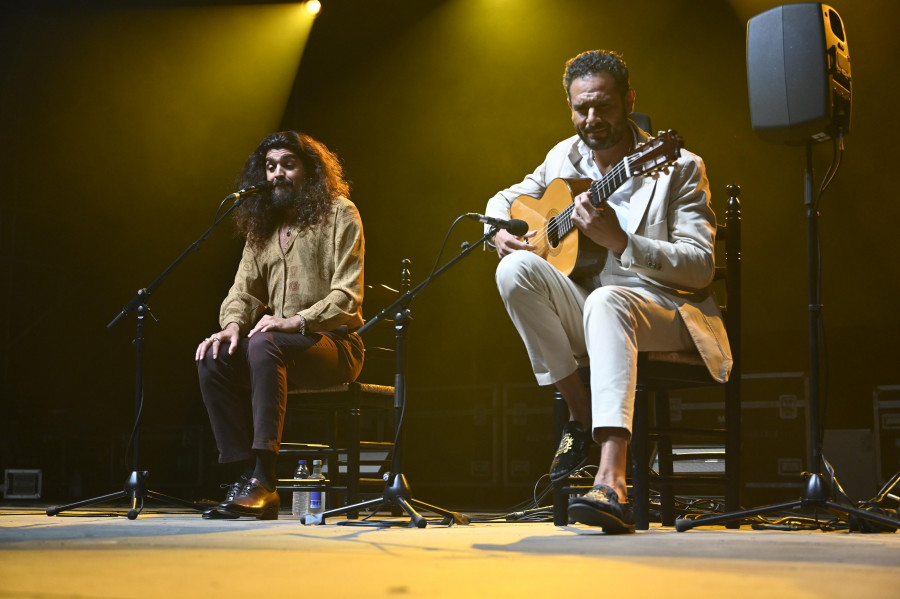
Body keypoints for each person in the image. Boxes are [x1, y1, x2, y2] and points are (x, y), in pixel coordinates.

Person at [486, 50, 732, 533]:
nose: (591, 120)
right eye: (581, 109)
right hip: (594, 317)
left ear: (629, 101)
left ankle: (610, 479)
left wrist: (621, 242)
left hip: (668, 312)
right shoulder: (564, 157)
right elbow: (503, 198)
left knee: (608, 300)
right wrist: (499, 231)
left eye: (603, 107)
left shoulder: (678, 166)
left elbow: (701, 268)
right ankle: (583, 409)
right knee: (514, 269)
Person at [195, 131, 365, 520]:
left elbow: (347, 297)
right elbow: (242, 291)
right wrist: (233, 324)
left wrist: (295, 321)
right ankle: (245, 477)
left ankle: (265, 479)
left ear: (310, 171)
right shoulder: (262, 228)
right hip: (273, 353)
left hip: (334, 347)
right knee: (214, 356)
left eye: (288, 164)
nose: (277, 174)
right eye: (270, 167)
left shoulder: (341, 213)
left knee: (264, 343)